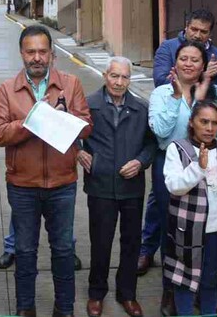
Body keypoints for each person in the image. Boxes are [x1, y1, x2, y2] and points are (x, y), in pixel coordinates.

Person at [0, 25, 92, 317]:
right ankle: (25, 309)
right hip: (22, 185)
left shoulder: (71, 85)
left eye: (42, 51)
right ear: (22, 53)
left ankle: (64, 309)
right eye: (30, 51)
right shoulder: (6, 90)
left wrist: (63, 119)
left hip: (62, 184)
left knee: (62, 251)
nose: (37, 57)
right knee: (24, 252)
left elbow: (87, 125)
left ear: (52, 54)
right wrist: (33, 120)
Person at [147, 40, 217, 316]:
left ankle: (203, 290)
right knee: (172, 231)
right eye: (183, 58)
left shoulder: (216, 91)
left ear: (203, 64)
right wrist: (178, 97)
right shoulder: (162, 93)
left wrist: (206, 95)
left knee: (210, 229)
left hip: (211, 160)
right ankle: (171, 289)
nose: (188, 63)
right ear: (175, 63)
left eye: (195, 59)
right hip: (173, 162)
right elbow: (161, 131)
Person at [140, 9, 217, 276]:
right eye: (194, 30)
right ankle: (148, 251)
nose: (198, 35)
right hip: (169, 150)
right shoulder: (168, 48)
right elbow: (162, 81)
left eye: (204, 32)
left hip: (204, 151)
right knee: (162, 205)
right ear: (186, 27)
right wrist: (188, 85)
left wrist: (212, 77)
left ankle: (198, 269)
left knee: (200, 211)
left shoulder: (216, 55)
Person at [77, 57, 156, 317]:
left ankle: (127, 294)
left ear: (129, 80)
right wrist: (79, 152)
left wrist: (140, 162)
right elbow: (71, 134)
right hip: (100, 185)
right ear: (105, 75)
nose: (119, 82)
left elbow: (151, 144)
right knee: (101, 242)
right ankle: (96, 293)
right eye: (114, 76)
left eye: (124, 77)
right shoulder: (88, 105)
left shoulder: (141, 108)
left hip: (131, 187)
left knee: (131, 242)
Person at [163, 101, 217, 316]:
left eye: (214, 123)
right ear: (192, 122)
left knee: (211, 278)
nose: (209, 128)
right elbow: (174, 186)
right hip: (186, 230)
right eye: (204, 122)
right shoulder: (178, 149)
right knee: (185, 278)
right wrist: (198, 168)